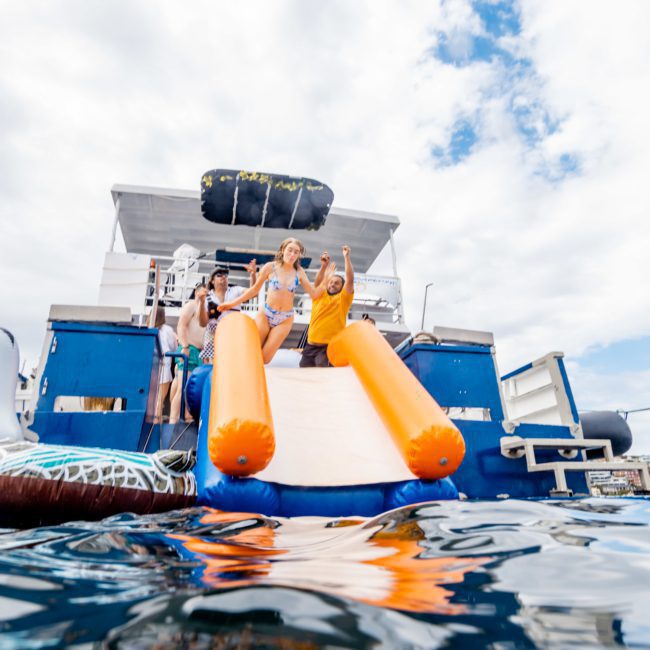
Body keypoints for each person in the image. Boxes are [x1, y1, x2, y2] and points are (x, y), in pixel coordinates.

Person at [218, 238, 332, 364]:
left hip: (285, 319)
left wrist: (325, 279)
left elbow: (314, 294)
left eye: (296, 252)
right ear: (283, 250)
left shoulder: (299, 272)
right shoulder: (270, 267)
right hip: (266, 314)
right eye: (290, 250)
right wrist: (231, 303)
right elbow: (254, 290)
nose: (292, 254)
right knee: (252, 349)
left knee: (265, 359)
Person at [300, 245, 354, 368]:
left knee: (322, 372)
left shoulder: (343, 298)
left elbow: (350, 280)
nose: (332, 284)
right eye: (331, 282)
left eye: (336, 283)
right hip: (310, 346)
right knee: (303, 373)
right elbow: (318, 282)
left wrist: (346, 258)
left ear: (342, 287)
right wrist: (324, 266)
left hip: (327, 348)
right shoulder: (319, 294)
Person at [198, 261, 257, 364]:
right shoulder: (206, 297)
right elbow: (203, 323)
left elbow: (253, 293)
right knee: (214, 368)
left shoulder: (236, 291)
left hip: (233, 334)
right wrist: (201, 303)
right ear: (212, 281)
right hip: (214, 338)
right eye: (219, 275)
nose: (223, 277)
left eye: (225, 275)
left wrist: (253, 275)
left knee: (233, 364)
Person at [169, 282, 207, 424]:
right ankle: (173, 420)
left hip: (196, 352)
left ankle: (183, 416)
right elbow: (181, 324)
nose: (206, 294)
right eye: (204, 291)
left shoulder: (203, 310)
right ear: (197, 292)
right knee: (182, 387)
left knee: (184, 386)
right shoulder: (192, 305)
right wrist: (184, 346)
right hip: (188, 348)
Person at [153, 305, 177, 423]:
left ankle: (151, 426)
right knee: (159, 401)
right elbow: (174, 348)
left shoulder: (147, 328)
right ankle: (156, 428)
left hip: (150, 367)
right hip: (164, 367)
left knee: (151, 401)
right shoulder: (167, 329)